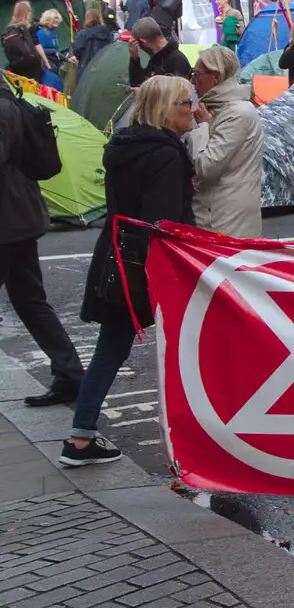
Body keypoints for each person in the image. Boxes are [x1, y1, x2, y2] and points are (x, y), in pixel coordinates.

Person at [60, 75, 197, 466]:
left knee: (112, 347)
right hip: (151, 264)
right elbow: (164, 221)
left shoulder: (128, 146)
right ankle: (197, 442)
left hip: (118, 258)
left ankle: (81, 436)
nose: (193, 109)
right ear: (165, 109)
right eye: (185, 103)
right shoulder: (166, 154)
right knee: (190, 342)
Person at [1, 79, 85, 407]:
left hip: (9, 221)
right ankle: (70, 375)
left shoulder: (3, 109)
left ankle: (71, 375)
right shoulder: (8, 104)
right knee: (30, 302)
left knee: (31, 302)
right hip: (16, 218)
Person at [188, 46, 264, 238]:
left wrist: (202, 127)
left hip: (225, 217)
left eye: (196, 74)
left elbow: (206, 166)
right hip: (220, 211)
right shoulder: (224, 108)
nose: (193, 80)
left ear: (215, 77)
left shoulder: (235, 114)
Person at [127, 15, 192, 88]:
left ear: (143, 41)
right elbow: (138, 84)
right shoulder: (156, 59)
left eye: (139, 45)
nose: (140, 48)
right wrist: (134, 59)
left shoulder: (177, 60)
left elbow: (181, 94)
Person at [3, 1, 47, 80]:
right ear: (28, 12)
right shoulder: (30, 27)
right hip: (32, 65)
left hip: (16, 65)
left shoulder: (10, 29)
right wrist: (46, 62)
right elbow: (37, 44)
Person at [34, 10, 63, 74]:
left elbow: (56, 51)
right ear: (47, 20)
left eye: (57, 18)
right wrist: (53, 51)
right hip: (46, 67)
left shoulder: (53, 33)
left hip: (54, 65)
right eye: (54, 18)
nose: (56, 20)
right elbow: (38, 51)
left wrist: (67, 59)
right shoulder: (42, 33)